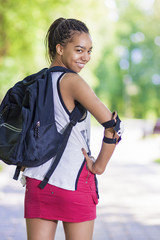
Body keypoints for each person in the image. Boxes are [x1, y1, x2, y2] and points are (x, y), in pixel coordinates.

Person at [22, 17, 122, 240]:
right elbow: (113, 126)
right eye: (79, 50)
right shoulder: (73, 81)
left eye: (89, 51)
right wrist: (99, 167)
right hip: (74, 182)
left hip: (37, 181)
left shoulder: (36, 82)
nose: (85, 57)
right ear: (59, 48)